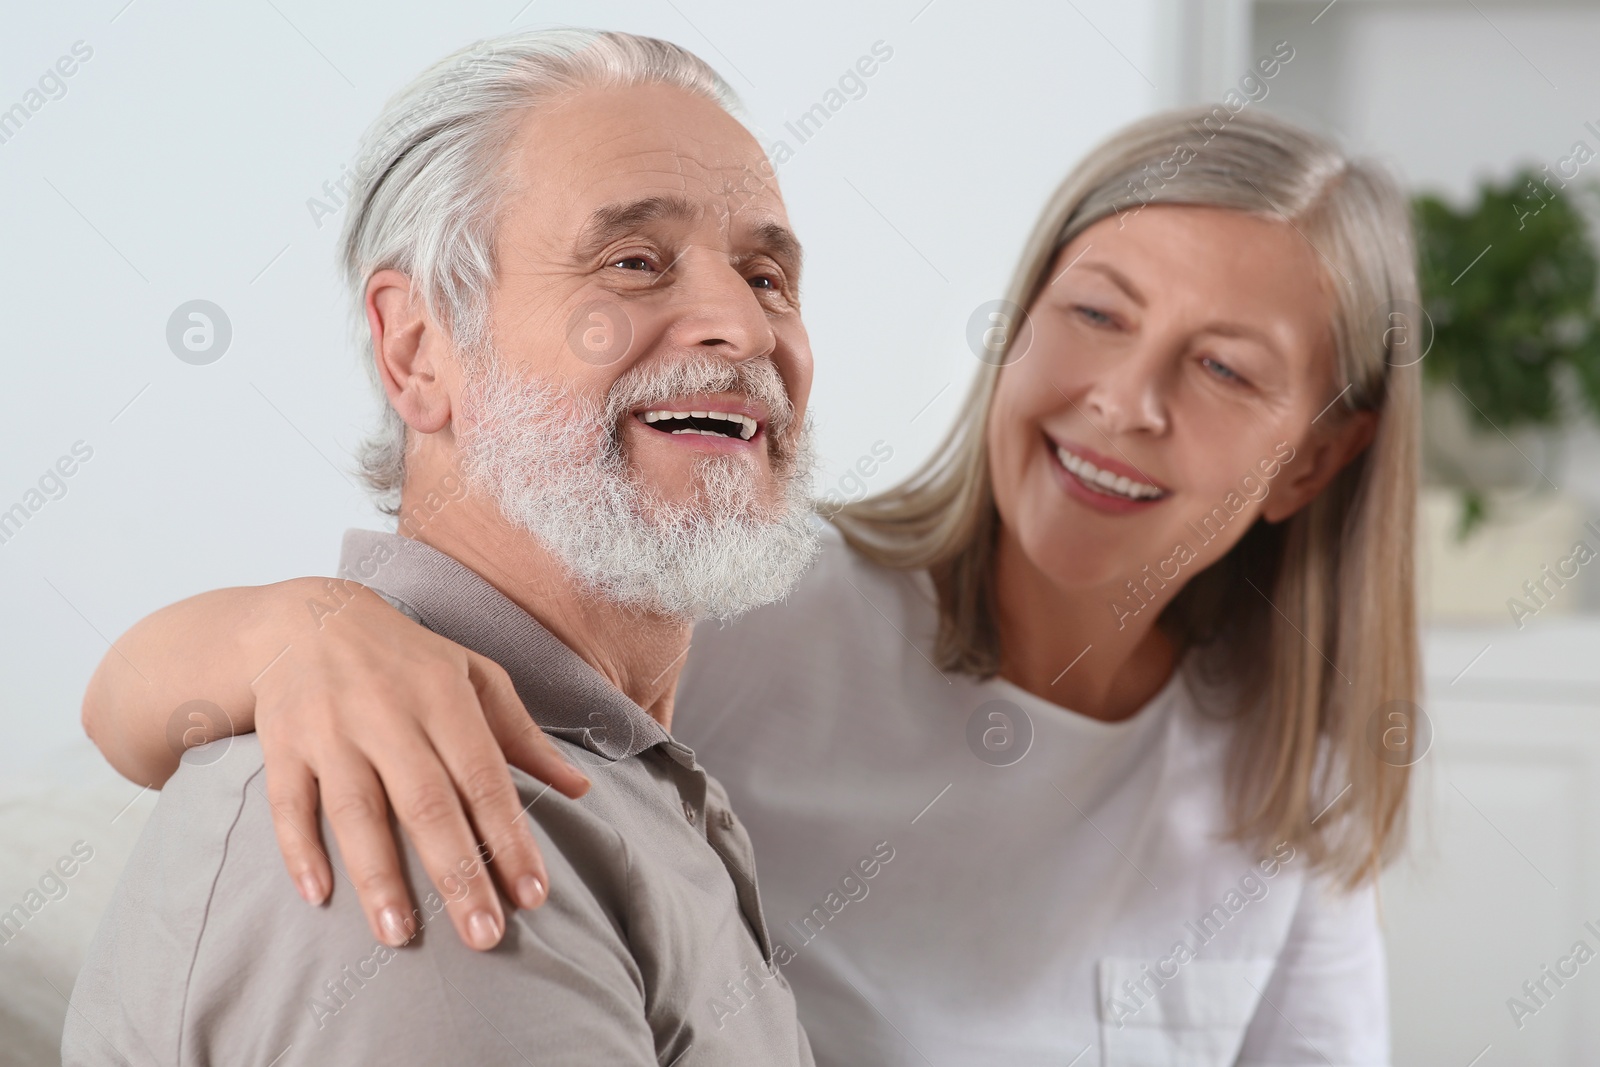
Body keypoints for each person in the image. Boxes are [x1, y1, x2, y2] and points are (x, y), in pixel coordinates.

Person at [82, 95, 1423, 1063]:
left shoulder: (1285, 770)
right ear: (1015, 331)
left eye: (1226, 368)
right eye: (1096, 313)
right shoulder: (749, 587)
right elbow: (136, 709)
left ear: (1313, 458)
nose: (1125, 399)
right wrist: (303, 626)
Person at [64, 28, 824, 1066]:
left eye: (768, 276)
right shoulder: (411, 812)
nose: (740, 324)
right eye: (634, 262)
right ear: (418, 348)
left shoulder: (620, 776)